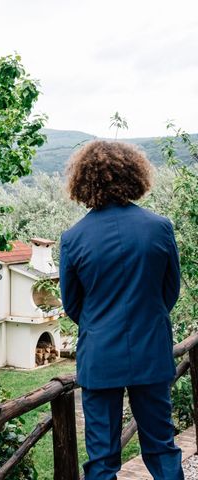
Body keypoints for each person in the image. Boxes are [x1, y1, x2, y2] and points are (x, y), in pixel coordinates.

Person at [59, 140, 184, 480]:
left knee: (101, 461)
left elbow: (73, 304)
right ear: (134, 175)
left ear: (83, 181)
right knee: (162, 447)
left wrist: (99, 323)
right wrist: (148, 316)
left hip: (99, 357)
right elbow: (169, 291)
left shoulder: (73, 238)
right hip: (152, 351)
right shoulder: (160, 227)